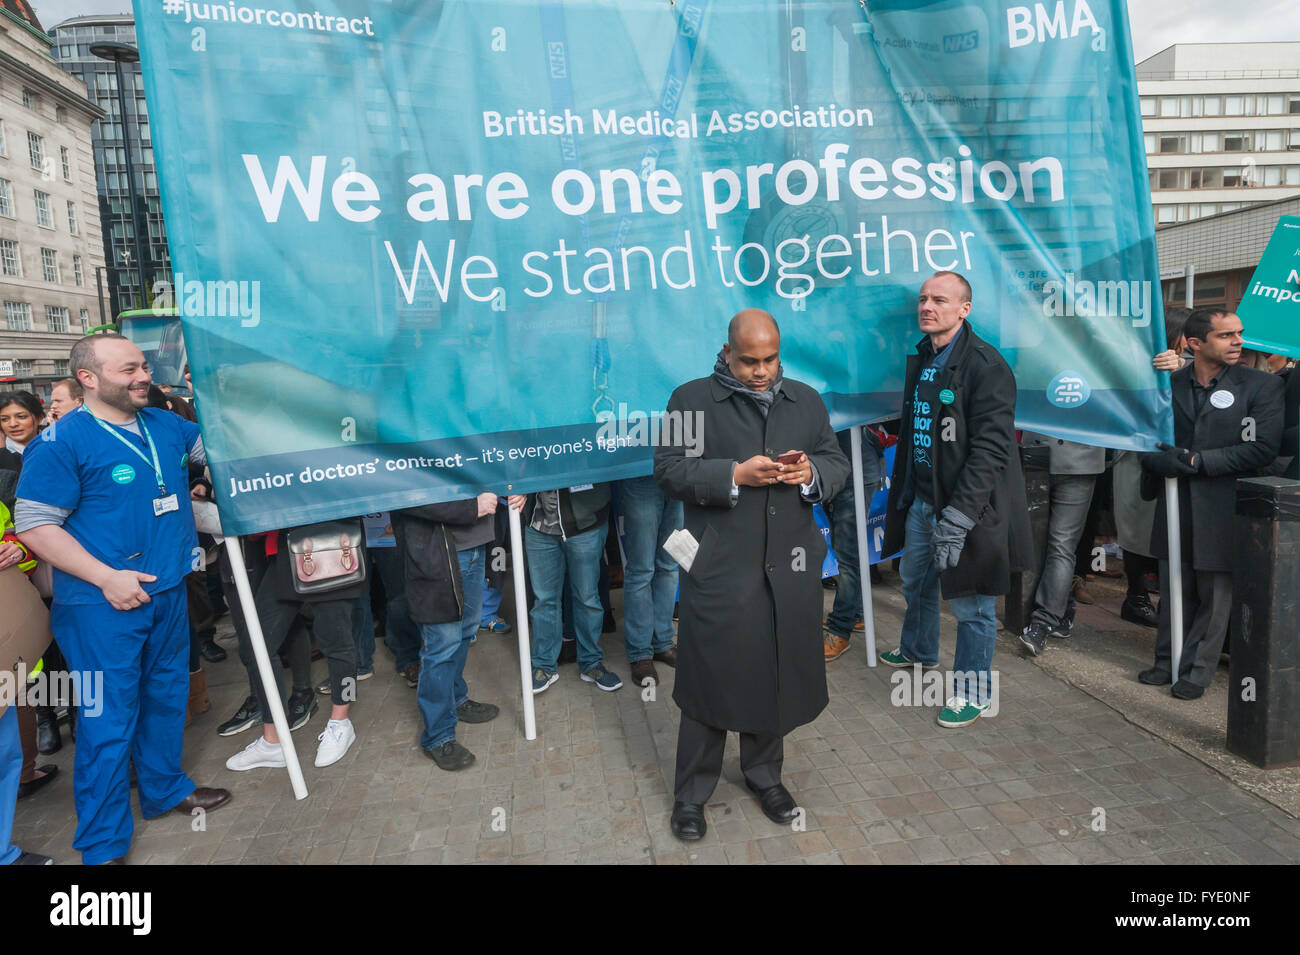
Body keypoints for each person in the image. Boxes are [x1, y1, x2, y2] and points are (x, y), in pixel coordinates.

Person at [14, 333, 231, 865]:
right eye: (129, 369)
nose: (143, 378)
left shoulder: (166, 424)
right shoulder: (61, 442)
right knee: (106, 722)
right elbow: (36, 526)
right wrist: (106, 577)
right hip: (100, 607)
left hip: (166, 593)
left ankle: (164, 789)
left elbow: (224, 452)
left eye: (143, 367)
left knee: (165, 698)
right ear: (88, 378)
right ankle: (103, 842)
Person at [655, 309, 849, 841]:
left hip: (788, 567)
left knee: (774, 672)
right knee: (708, 678)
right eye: (748, 362)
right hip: (719, 567)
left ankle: (765, 776)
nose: (760, 372)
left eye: (769, 360)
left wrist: (810, 473)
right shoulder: (689, 399)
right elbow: (668, 469)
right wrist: (732, 475)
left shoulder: (805, 399)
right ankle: (691, 793)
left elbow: (836, 463)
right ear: (727, 352)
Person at [880, 271, 1032, 728]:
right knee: (914, 581)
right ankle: (918, 650)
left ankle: (975, 692)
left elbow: (990, 450)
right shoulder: (925, 356)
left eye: (940, 300)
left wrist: (960, 516)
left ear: (964, 309)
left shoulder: (987, 365)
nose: (928, 306)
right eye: (924, 299)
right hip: (923, 501)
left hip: (967, 510)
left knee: (972, 605)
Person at [1138, 307, 1284, 700]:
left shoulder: (1260, 386)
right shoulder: (1169, 383)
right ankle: (1166, 661)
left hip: (1224, 504)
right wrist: (1157, 460)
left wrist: (1198, 462)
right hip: (1175, 502)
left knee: (1217, 593)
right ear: (1195, 344)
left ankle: (1198, 671)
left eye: (1239, 333)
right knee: (1174, 587)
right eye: (1226, 335)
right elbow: (1147, 437)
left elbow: (1262, 449)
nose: (1238, 341)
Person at [223, 525, 364, 770]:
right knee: (255, 646)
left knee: (338, 641)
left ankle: (341, 722)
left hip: (331, 540)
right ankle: (273, 741)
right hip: (284, 547)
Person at [394, 494, 502, 770]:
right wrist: (469, 507)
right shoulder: (408, 449)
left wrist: (516, 488)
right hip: (438, 551)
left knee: (466, 631)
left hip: (477, 543)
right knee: (441, 645)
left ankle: (455, 697)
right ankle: (437, 736)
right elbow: (403, 494)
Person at [522, 484, 622, 694]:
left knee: (587, 598)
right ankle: (543, 666)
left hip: (585, 521)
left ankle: (591, 663)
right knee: (544, 600)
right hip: (538, 524)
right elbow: (510, 459)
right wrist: (514, 487)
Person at [1017, 434, 1105, 655]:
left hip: (1077, 460)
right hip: (1037, 453)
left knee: (1061, 544)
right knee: (1048, 543)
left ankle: (1044, 621)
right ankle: (1060, 610)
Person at [823, 425, 886, 661]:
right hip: (842, 476)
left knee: (849, 559)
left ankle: (840, 630)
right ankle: (856, 614)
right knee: (849, 555)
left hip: (855, 478)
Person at [616, 476, 682, 686]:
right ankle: (640, 653)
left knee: (669, 565)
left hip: (679, 476)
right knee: (642, 570)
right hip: (641, 476)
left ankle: (662, 642)